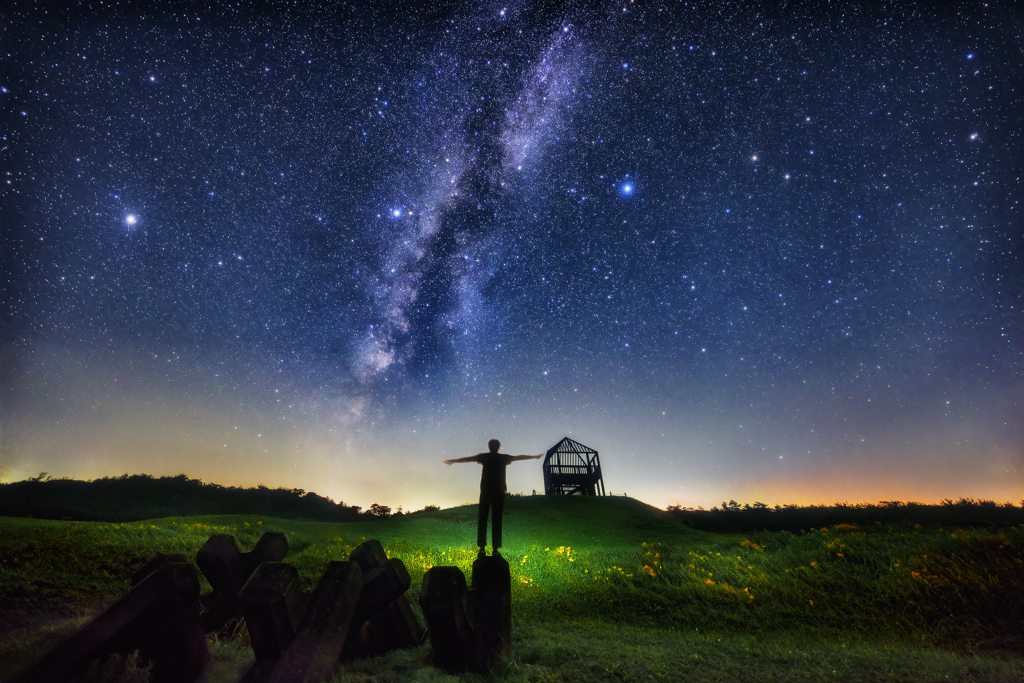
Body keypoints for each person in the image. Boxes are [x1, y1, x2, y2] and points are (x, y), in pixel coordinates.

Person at [444, 439, 542, 556]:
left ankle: (482, 548)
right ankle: (495, 549)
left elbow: (468, 459)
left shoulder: (484, 457)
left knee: (483, 518)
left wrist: (453, 461)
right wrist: (534, 456)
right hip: (498, 491)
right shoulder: (503, 458)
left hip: (486, 490)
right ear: (498, 447)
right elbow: (518, 457)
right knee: (497, 519)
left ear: (489, 446)